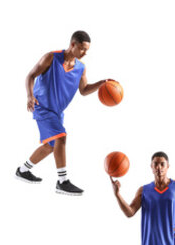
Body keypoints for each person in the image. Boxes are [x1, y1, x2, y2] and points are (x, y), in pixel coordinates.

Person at [14, 30, 113, 196]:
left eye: (87, 50)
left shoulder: (81, 67)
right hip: (42, 106)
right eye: (82, 49)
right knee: (61, 137)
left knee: (50, 146)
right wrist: (30, 96)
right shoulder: (51, 58)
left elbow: (84, 90)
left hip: (57, 112)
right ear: (72, 44)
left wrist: (101, 84)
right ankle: (63, 181)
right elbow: (30, 76)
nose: (84, 53)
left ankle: (23, 170)